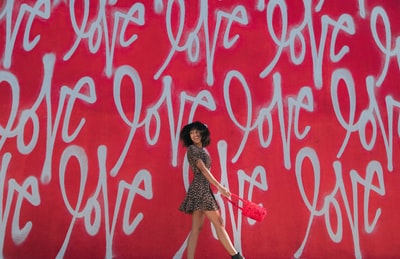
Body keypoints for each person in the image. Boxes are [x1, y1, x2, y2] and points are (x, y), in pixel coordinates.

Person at [179, 121, 244, 259]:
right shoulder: (192, 150)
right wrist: (220, 187)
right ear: (188, 136)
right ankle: (236, 257)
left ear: (202, 133)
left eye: (197, 132)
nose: (194, 135)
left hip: (200, 189)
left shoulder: (200, 150)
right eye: (192, 133)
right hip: (201, 189)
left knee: (196, 229)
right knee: (218, 223)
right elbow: (202, 169)